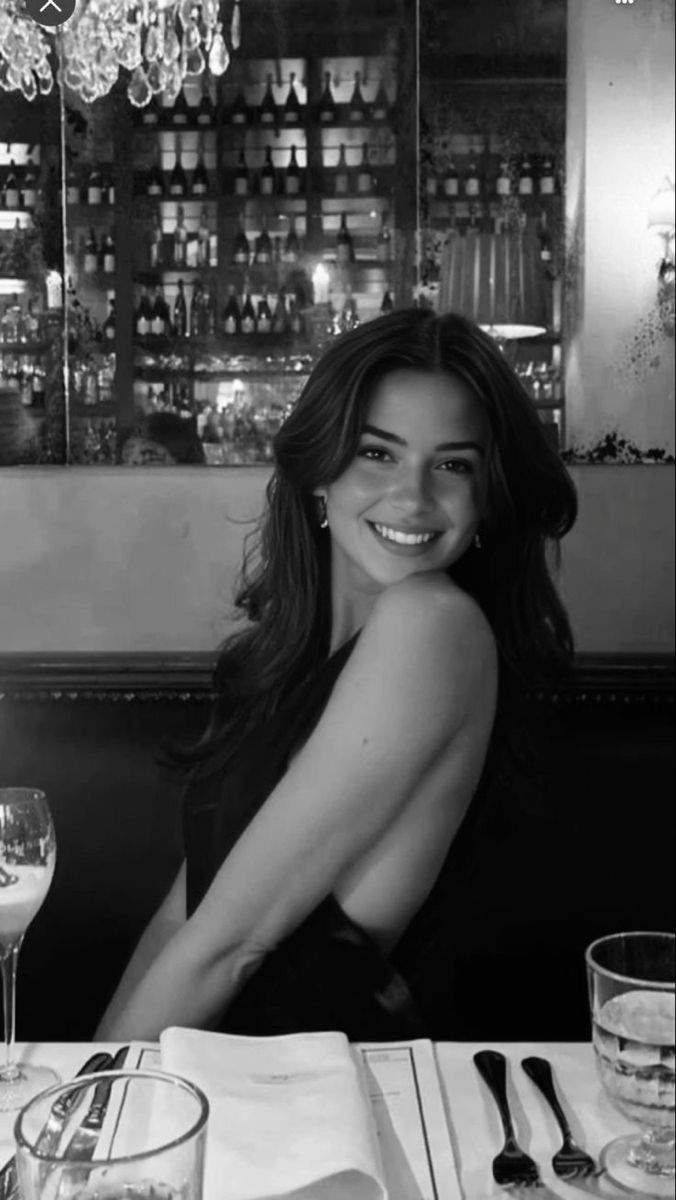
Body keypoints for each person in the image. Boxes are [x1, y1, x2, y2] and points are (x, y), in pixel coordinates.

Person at [97, 307, 577, 1042]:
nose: (413, 496)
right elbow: (181, 921)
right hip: (226, 1076)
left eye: (452, 465)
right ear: (320, 474)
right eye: (378, 453)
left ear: (486, 498)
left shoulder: (432, 625)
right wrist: (92, 1082)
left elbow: (230, 947)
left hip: (329, 1094)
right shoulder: (282, 660)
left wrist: (100, 1105)